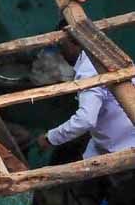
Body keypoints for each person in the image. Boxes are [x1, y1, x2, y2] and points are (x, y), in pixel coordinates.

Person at [37, 20, 135, 157]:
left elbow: (86, 119)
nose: (60, 51)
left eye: (62, 44)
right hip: (115, 141)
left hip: (123, 150)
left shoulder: (89, 71)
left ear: (75, 41)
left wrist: (50, 138)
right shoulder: (110, 56)